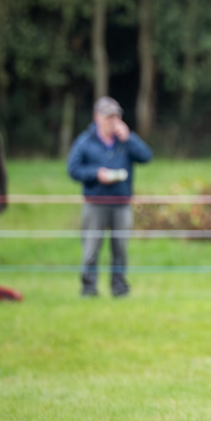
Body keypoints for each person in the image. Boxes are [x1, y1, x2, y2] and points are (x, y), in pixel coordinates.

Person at [67, 96, 152, 297]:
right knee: (91, 249)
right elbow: (73, 169)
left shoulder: (125, 140)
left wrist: (129, 138)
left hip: (122, 203)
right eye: (108, 117)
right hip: (95, 203)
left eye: (116, 117)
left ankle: (119, 288)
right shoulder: (85, 141)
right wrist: (96, 174)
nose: (112, 121)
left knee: (120, 249)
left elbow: (147, 157)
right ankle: (88, 289)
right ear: (97, 117)